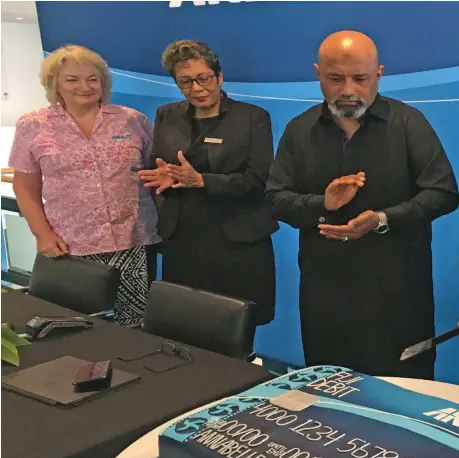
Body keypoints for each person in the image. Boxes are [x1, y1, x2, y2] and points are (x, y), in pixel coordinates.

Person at [266, 30, 459, 379]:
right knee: (329, 392)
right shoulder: (299, 130)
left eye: (361, 79)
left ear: (379, 74)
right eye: (335, 79)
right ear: (318, 75)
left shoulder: (407, 124)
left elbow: (443, 192)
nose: (348, 90)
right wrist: (322, 202)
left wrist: (383, 218)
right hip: (325, 292)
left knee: (404, 396)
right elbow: (275, 199)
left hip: (398, 292)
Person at [10, 45, 159, 325]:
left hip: (134, 241)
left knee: (135, 326)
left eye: (93, 78)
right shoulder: (32, 125)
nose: (85, 86)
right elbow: (25, 186)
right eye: (72, 79)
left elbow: (154, 172)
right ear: (55, 84)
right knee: (78, 327)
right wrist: (41, 233)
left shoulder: (132, 119)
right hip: (70, 245)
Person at [139, 40, 278, 338]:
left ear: (219, 76)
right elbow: (160, 163)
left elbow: (259, 180)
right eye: (186, 81)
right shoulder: (166, 114)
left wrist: (202, 181)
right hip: (184, 239)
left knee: (237, 327)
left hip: (238, 240)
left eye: (204, 78)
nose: (197, 88)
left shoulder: (253, 117)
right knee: (187, 324)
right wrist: (163, 174)